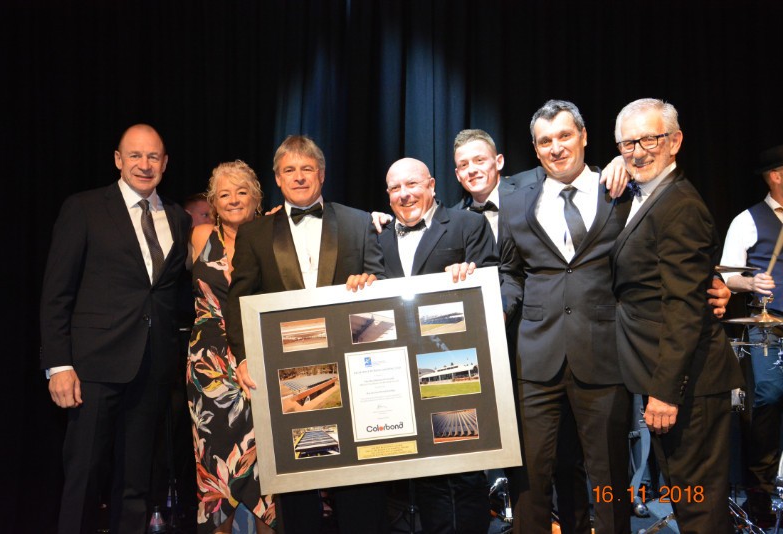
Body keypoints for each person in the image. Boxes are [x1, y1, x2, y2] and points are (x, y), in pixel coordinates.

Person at [225, 135, 388, 533]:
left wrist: (370, 285)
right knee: (297, 482)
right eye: (289, 170)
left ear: (322, 174)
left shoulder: (358, 223)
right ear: (278, 179)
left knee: (358, 475)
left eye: (307, 169)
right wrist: (243, 357)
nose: (299, 177)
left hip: (353, 370)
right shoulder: (255, 234)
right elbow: (239, 301)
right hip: (287, 375)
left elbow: (382, 287)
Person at [39, 124, 192, 533]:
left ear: (165, 163)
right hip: (93, 369)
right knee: (84, 476)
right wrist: (59, 364)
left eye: (153, 156)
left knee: (136, 483)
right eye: (135, 155)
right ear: (118, 160)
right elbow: (56, 293)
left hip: (153, 369)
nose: (145, 164)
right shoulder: (84, 208)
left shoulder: (178, 218)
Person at [498, 100, 633, 534]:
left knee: (609, 476)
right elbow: (510, 272)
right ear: (536, 149)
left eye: (564, 136)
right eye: (545, 141)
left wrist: (625, 162)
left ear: (584, 136)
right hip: (537, 356)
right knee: (530, 478)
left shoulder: (621, 188)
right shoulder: (515, 200)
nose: (555, 148)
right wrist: (499, 308)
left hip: (603, 352)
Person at [611, 98, 744, 532]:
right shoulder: (645, 195)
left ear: (675, 142)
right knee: (689, 505)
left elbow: (684, 307)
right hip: (671, 380)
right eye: (628, 143)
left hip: (690, 387)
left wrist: (666, 393)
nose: (638, 152)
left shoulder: (680, 204)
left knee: (701, 512)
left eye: (650, 139)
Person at [377, 156, 498, 533]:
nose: (404, 194)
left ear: (431, 185)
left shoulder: (467, 224)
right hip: (400, 372)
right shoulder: (378, 237)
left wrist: (470, 275)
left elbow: (493, 285)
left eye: (412, 184)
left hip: (455, 368)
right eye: (395, 188)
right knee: (424, 469)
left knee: (464, 467)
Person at [187, 160, 275, 533]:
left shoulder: (274, 234)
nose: (234, 200)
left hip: (259, 356)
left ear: (257, 198)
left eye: (242, 192)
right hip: (208, 367)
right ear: (214, 202)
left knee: (266, 462)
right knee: (216, 459)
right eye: (224, 194)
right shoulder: (200, 236)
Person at [721, 143, 783, 525]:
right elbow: (727, 275)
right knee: (769, 398)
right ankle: (760, 489)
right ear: (775, 175)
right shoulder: (747, 220)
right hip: (768, 325)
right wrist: (751, 281)